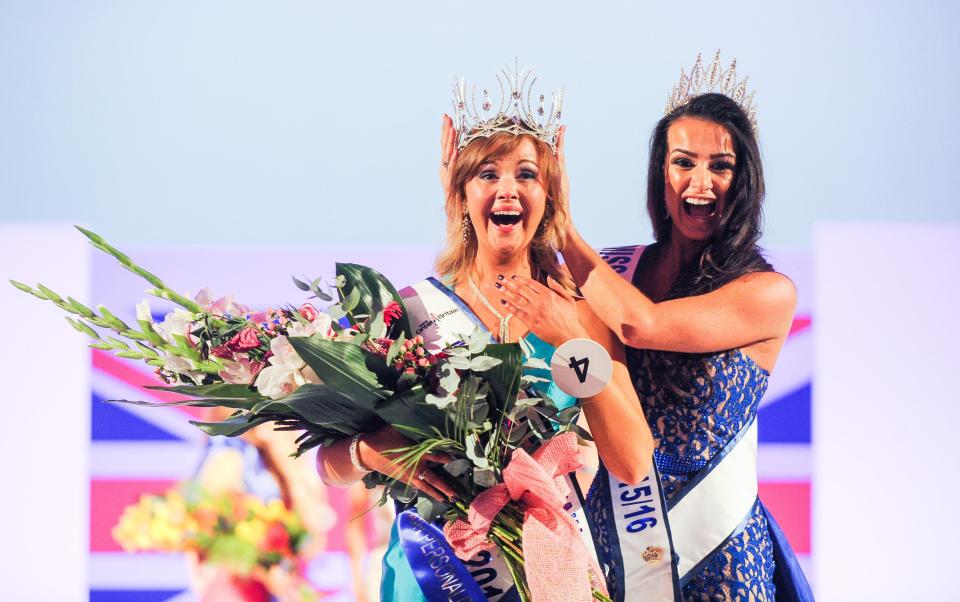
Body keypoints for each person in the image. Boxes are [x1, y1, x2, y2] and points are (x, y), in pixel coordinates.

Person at [317, 64, 652, 601]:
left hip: (543, 571)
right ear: (461, 195)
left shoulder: (579, 314)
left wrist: (572, 338)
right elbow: (328, 465)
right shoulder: (410, 310)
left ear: (550, 199)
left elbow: (633, 461)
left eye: (527, 174)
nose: (507, 190)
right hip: (432, 575)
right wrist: (366, 453)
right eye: (487, 174)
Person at [497, 52, 813, 601]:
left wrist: (568, 230)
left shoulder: (767, 292)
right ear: (660, 173)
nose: (700, 182)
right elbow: (584, 366)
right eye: (683, 163)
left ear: (744, 181)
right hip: (614, 535)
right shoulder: (619, 268)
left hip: (716, 553)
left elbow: (641, 325)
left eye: (721, 166)